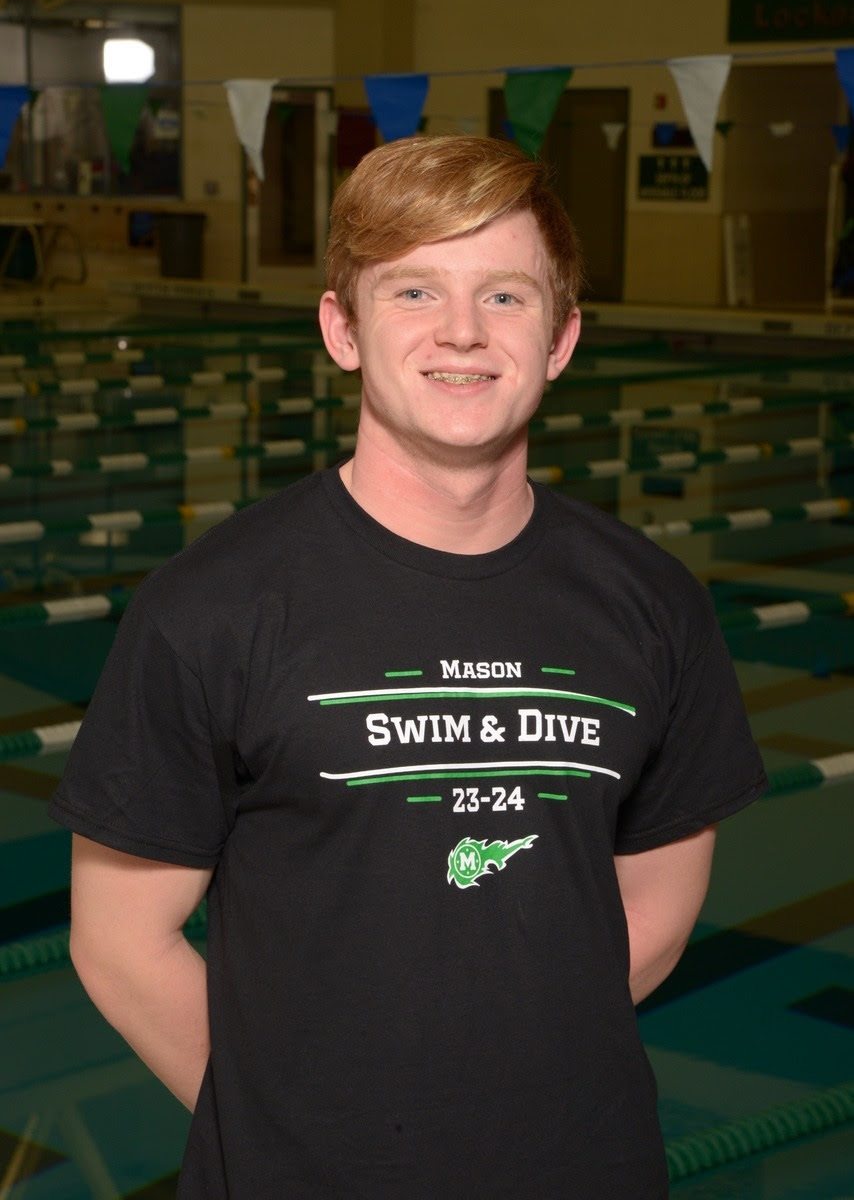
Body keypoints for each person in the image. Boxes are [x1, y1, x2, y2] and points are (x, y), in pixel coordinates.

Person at [50, 135, 767, 1197]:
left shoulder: (651, 600)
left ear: (562, 338)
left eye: (507, 297)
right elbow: (120, 941)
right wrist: (293, 1122)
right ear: (342, 328)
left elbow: (657, 894)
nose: (462, 333)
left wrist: (505, 1077)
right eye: (414, 289)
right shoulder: (211, 606)